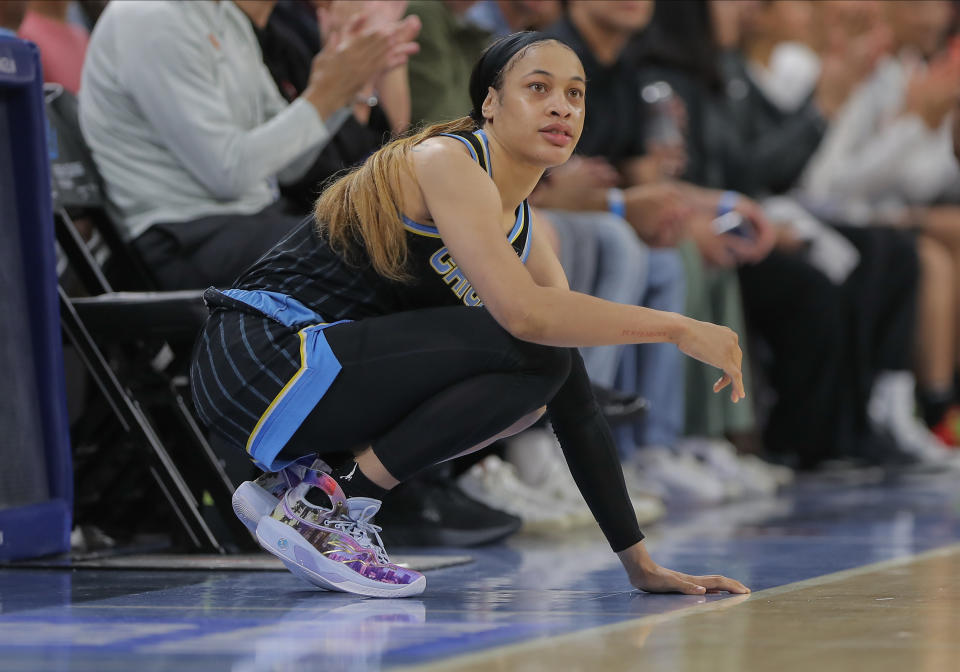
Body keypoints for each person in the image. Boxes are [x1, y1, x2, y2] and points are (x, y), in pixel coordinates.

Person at [191, 32, 750, 597]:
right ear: (489, 102)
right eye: (538, 88)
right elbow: (527, 319)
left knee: (542, 381)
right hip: (259, 355)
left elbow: (574, 399)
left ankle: (312, 489)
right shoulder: (446, 160)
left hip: (313, 379)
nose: (562, 106)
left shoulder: (524, 231)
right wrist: (677, 327)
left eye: (575, 95)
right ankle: (323, 502)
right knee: (529, 346)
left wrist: (639, 565)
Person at [79, 0, 418, 290]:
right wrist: (321, 98)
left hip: (250, 221)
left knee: (406, 230)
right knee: (389, 248)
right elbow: (228, 174)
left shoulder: (225, 17)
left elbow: (288, 168)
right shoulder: (148, 17)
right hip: (182, 237)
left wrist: (343, 90)